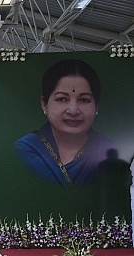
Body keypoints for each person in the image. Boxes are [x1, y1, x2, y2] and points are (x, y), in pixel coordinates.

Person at [14, 59, 116, 189]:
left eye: (84, 100)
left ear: (96, 106)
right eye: (62, 99)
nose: (73, 110)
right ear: (44, 104)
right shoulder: (23, 152)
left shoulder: (109, 152)